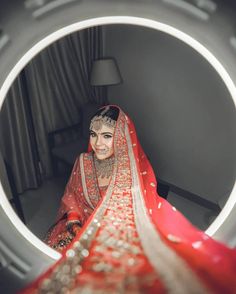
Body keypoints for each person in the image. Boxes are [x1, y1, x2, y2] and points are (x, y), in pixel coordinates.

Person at [23, 105, 236, 293]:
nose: (98, 143)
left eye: (107, 136)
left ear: (122, 137)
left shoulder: (130, 171)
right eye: (93, 134)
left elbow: (134, 214)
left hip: (114, 231)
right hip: (78, 226)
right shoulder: (82, 162)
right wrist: (73, 220)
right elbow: (72, 196)